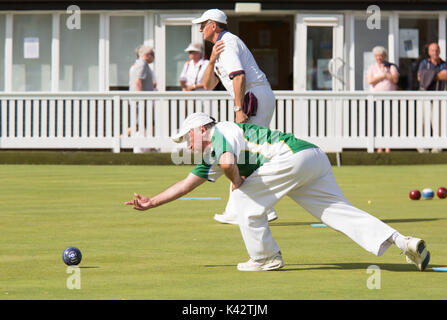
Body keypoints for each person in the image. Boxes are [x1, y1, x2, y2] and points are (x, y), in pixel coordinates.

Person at [124, 112, 431, 272]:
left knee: (243, 200)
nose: (187, 144)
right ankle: (404, 242)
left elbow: (229, 162)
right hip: (312, 156)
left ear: (202, 129)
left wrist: (237, 182)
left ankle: (266, 258)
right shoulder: (212, 153)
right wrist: (152, 202)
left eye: (187, 137)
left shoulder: (221, 133)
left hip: (289, 158)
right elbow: (185, 184)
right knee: (339, 213)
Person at [192, 8, 278, 224]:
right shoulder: (220, 47)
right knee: (248, 152)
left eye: (203, 24)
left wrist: (239, 109)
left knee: (243, 152)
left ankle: (241, 209)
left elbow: (239, 77)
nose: (200, 28)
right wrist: (211, 61)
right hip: (256, 96)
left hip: (253, 97)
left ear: (214, 25)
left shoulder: (227, 43)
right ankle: (264, 208)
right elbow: (208, 85)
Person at [366, 46, 399, 153]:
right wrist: (382, 76)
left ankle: (388, 146)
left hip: (389, 99)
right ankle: (379, 147)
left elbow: (395, 79)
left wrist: (386, 73)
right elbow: (370, 81)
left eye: (380, 55)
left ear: (384, 56)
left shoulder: (391, 67)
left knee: (388, 123)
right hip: (376, 100)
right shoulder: (372, 68)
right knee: (378, 122)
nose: (378, 58)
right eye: (376, 56)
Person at [417, 42, 447, 153]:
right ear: (429, 52)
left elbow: (445, 76)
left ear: (439, 51)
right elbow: (420, 77)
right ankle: (423, 147)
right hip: (426, 96)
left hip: (439, 98)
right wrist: (436, 75)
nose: (435, 52)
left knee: (438, 122)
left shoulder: (444, 64)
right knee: (424, 122)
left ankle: (437, 147)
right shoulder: (424, 63)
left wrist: (429, 75)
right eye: (432, 50)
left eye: (436, 50)